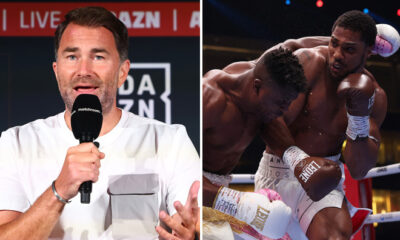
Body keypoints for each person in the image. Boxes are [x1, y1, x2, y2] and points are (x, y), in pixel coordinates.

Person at [0, 6, 200, 240]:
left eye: (98, 57)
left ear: (122, 72)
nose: (84, 70)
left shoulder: (170, 141)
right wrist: (60, 190)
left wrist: (192, 234)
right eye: (72, 56)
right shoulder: (15, 143)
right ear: (57, 71)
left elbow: (192, 223)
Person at [253, 10, 391, 239]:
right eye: (334, 44)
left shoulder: (374, 96)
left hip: (325, 180)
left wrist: (357, 116)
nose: (337, 55)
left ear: (368, 52)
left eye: (348, 49)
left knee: (334, 236)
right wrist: (302, 163)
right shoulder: (309, 63)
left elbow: (358, 169)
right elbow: (267, 118)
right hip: (277, 172)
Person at [203, 47, 315, 239]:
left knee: (274, 234)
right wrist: (239, 203)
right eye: (280, 102)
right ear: (256, 86)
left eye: (289, 103)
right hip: (190, 193)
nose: (284, 111)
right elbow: (174, 169)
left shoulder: (264, 85)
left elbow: (298, 44)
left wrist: (370, 37)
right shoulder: (210, 97)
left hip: (217, 193)